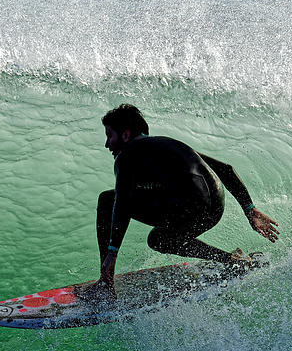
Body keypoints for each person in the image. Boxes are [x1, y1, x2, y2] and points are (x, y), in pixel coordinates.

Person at [93, 104, 279, 298]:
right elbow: (226, 170)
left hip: (190, 206)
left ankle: (105, 283)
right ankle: (233, 260)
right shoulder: (169, 145)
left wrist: (112, 254)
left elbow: (121, 202)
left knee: (107, 200)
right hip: (214, 207)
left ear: (125, 135)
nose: (107, 144)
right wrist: (250, 209)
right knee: (159, 239)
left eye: (109, 135)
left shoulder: (127, 155)